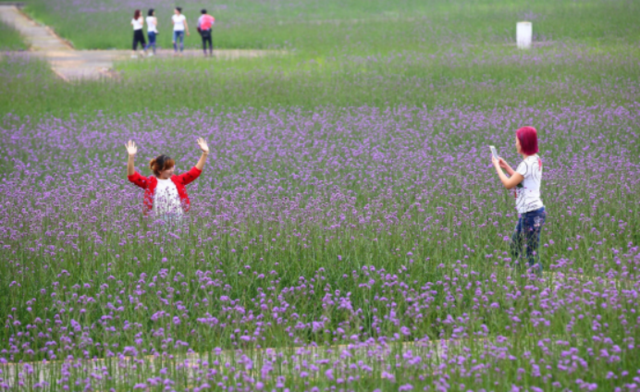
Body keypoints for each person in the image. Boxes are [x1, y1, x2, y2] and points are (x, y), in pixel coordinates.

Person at [491, 126, 546, 275]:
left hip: (531, 213)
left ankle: (536, 285)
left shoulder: (526, 164)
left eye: (516, 141)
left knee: (531, 254)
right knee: (515, 245)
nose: (515, 144)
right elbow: (520, 180)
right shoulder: (535, 159)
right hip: (531, 213)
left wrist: (497, 167)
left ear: (523, 143)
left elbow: (509, 184)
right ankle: (521, 276)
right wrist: (506, 166)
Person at [125, 138, 209, 223]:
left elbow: (194, 173)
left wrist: (205, 153)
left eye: (172, 167)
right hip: (158, 220)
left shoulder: (178, 180)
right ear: (159, 170)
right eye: (168, 168)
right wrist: (131, 157)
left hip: (178, 219)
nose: (172, 170)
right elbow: (133, 177)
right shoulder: (150, 182)